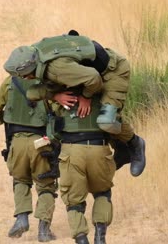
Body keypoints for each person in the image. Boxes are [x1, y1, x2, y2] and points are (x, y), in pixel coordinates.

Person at [3, 31, 146, 177]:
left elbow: (93, 79)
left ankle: (134, 143)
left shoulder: (56, 70)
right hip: (84, 75)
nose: (24, 79)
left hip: (112, 71)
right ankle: (120, 147)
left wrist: (86, 96)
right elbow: (34, 92)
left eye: (24, 75)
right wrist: (56, 95)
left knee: (106, 121)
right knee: (32, 93)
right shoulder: (36, 55)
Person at [0, 75, 58, 242]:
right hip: (42, 142)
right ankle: (43, 229)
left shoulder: (10, 81)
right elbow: (58, 110)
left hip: (16, 142)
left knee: (20, 180)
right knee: (46, 185)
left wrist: (4, 119)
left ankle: (21, 219)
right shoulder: (48, 82)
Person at [47, 91, 116, 244]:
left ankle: (81, 239)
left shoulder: (61, 93)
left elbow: (52, 133)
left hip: (71, 150)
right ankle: (100, 237)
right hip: (100, 148)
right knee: (102, 192)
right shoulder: (103, 92)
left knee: (74, 201)